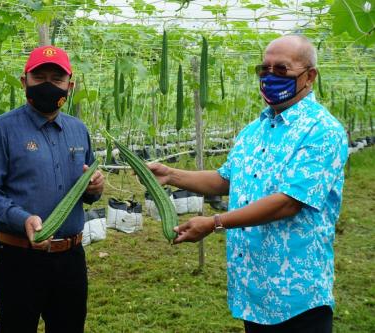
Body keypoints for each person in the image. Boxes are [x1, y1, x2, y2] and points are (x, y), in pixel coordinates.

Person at [148, 35, 348, 333]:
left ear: (310, 76)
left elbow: (289, 201)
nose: (270, 77)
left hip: (296, 291)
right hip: (253, 285)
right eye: (264, 69)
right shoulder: (253, 131)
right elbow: (225, 179)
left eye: (282, 69)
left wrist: (215, 222)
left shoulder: (323, 130)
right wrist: (170, 175)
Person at [0, 45, 104, 333]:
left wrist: (95, 187)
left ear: (70, 85)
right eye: (39, 77)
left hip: (70, 257)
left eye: (56, 80)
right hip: (18, 258)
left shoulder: (78, 130)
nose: (48, 85)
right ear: (24, 81)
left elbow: (89, 187)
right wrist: (23, 219)